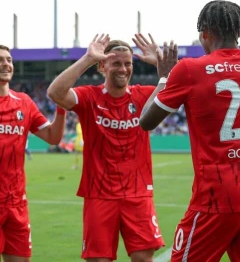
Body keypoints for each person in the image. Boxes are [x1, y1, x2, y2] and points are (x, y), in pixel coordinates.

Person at [139, 0, 240, 262]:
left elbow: (146, 121)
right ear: (239, 30)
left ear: (205, 33)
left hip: (218, 197)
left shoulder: (189, 69)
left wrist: (164, 77)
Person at [47, 34, 165, 262]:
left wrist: (160, 62)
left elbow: (185, 86)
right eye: (116, 63)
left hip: (137, 193)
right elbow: (54, 93)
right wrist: (87, 59)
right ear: (103, 65)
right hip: (98, 194)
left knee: (143, 258)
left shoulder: (144, 96)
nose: (123, 69)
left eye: (128, 63)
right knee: (98, 260)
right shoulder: (89, 97)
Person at [0, 45, 66, 262]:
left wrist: (61, 107)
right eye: (0, 60)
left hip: (17, 204)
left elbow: (53, 137)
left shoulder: (24, 102)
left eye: (8, 60)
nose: (6, 64)